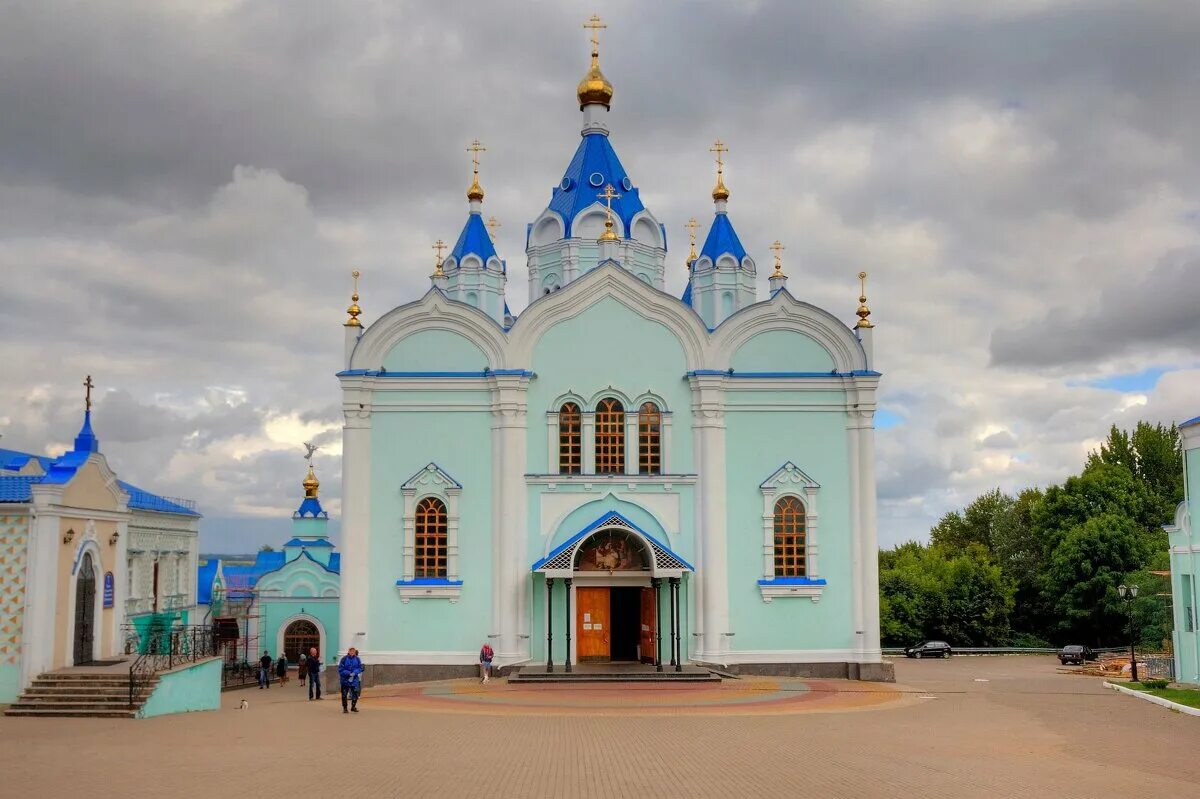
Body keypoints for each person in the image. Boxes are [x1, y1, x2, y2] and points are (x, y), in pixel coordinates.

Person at [338, 647, 364, 713]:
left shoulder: (357, 659)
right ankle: (345, 708)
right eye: (351, 651)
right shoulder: (344, 659)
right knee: (344, 694)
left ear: (355, 652)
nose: (352, 652)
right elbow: (341, 669)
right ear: (349, 652)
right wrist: (348, 673)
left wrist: (355, 672)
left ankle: (353, 707)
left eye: (353, 651)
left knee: (355, 694)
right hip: (345, 680)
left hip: (354, 680)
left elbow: (360, 668)